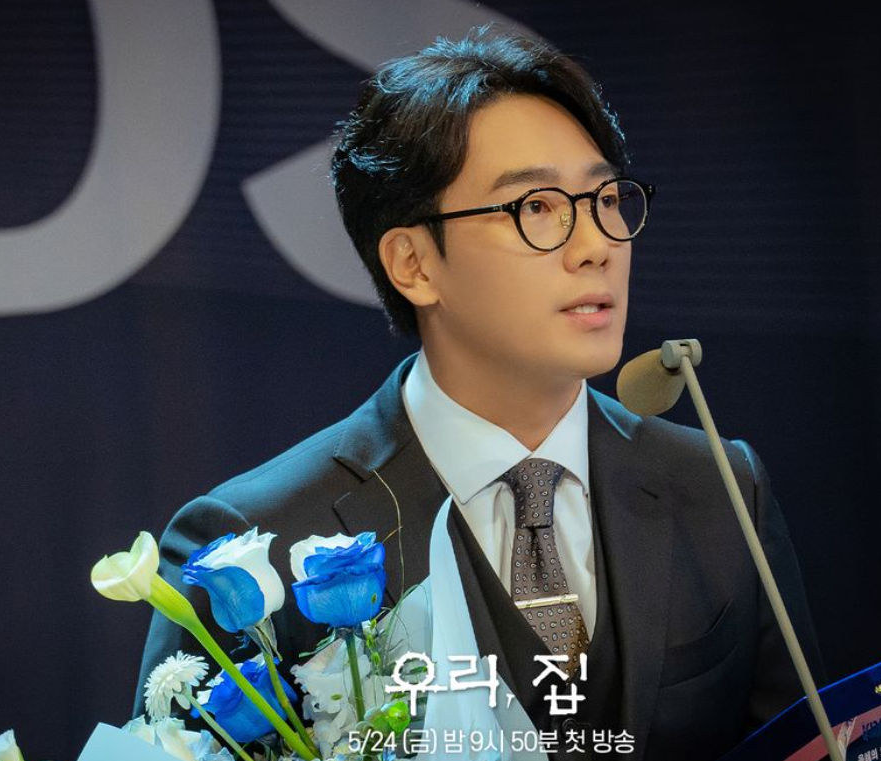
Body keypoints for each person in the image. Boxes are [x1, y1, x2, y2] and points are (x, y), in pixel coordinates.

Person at [137, 28, 823, 760]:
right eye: (536, 207)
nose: (596, 245)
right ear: (412, 263)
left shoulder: (719, 487)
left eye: (604, 198)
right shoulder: (253, 545)